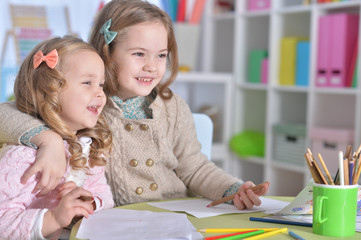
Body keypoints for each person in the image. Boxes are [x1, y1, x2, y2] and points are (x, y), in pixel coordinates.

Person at [0, 0, 268, 209]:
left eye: (161, 55)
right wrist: (48, 140)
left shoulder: (172, 106)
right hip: (118, 221)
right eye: (139, 54)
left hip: (178, 214)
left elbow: (195, 167)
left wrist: (232, 190)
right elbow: (5, 113)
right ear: (107, 52)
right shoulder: (87, 104)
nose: (152, 66)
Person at [0, 36, 114, 240]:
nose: (100, 94)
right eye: (88, 82)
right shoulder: (21, 157)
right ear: (49, 92)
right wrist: (54, 218)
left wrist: (90, 201)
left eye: (101, 85)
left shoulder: (88, 147)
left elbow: (104, 194)